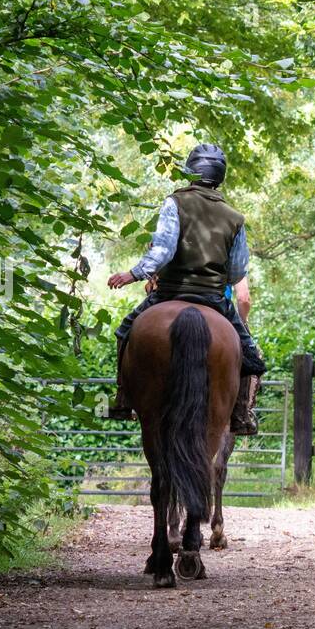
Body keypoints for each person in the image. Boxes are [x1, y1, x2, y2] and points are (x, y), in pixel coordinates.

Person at [106, 143, 266, 434]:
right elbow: (236, 271)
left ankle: (123, 399)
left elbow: (164, 250)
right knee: (250, 356)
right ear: (220, 177)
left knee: (125, 331)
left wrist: (133, 274)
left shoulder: (175, 202)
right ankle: (241, 413)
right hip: (214, 299)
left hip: (169, 292)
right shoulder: (235, 218)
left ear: (191, 173)